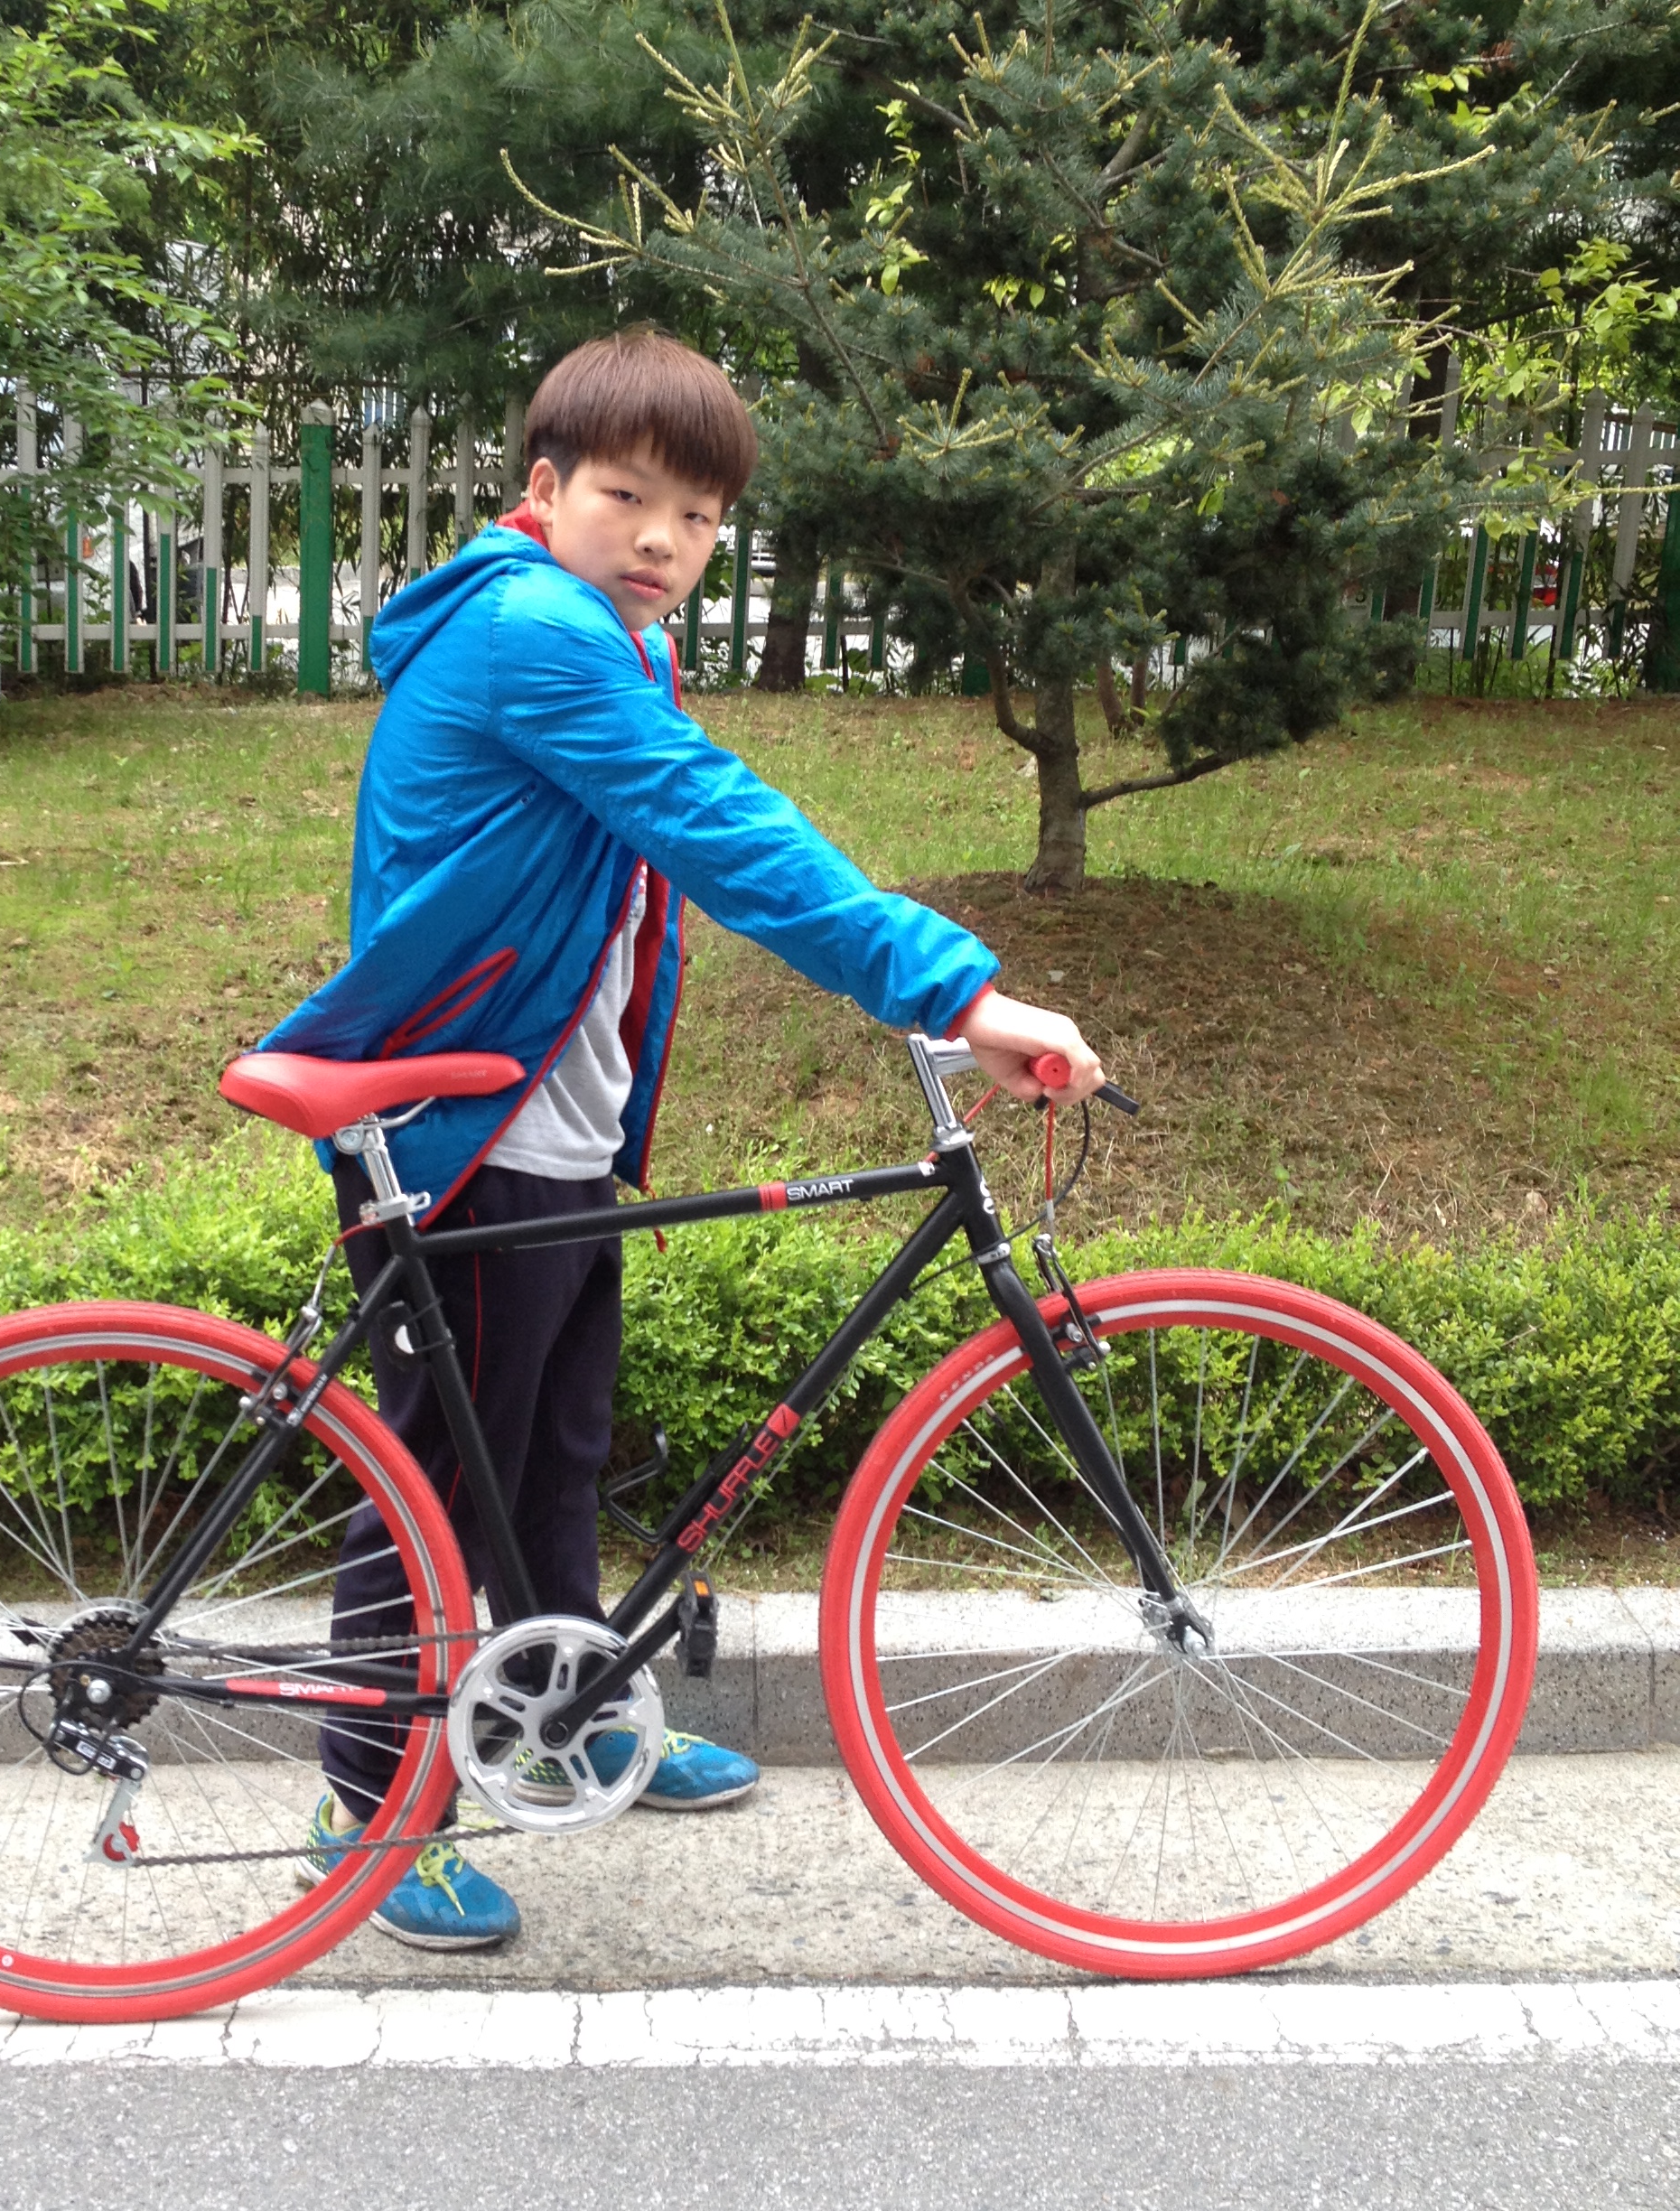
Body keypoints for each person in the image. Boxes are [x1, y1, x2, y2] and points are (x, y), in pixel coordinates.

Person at [253, 327, 1106, 1949]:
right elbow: (719, 827)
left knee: (555, 1455)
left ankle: (566, 1714)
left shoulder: (611, 636)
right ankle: (364, 1810)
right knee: (439, 1490)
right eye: (628, 498)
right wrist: (958, 991)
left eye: (699, 516)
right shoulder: (531, 631)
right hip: (464, 1129)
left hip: (553, 1123)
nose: (663, 540)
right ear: (544, 489)